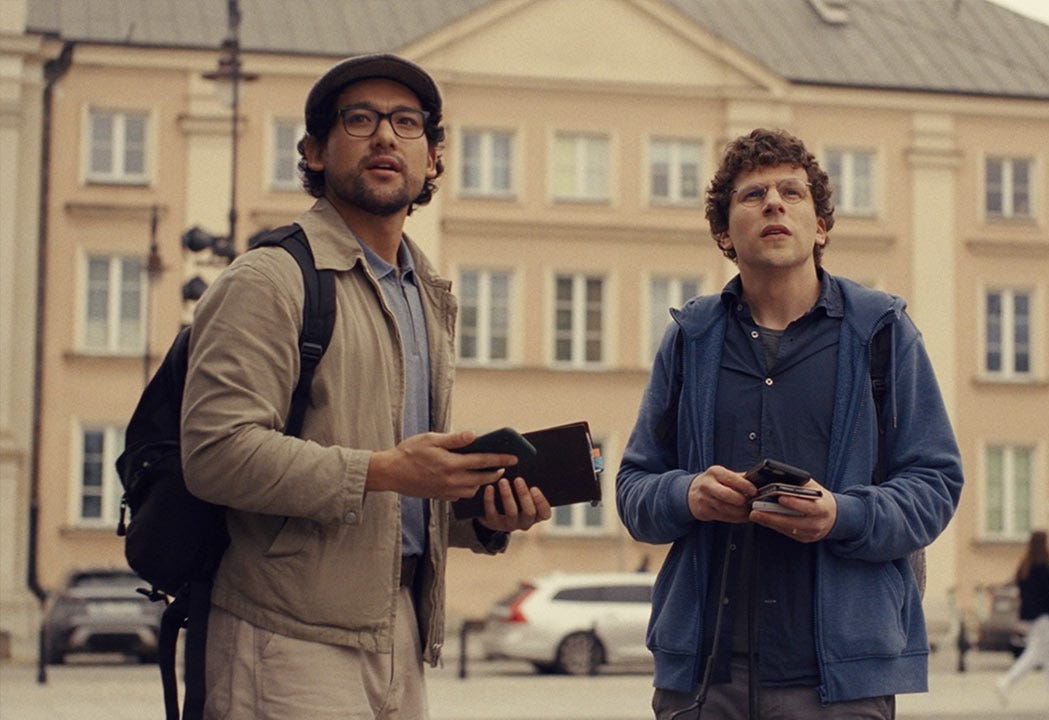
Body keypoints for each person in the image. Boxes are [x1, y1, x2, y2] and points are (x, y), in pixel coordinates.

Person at [180, 54, 551, 720]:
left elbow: (397, 499)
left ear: (434, 157)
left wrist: (480, 514)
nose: (386, 136)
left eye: (407, 123)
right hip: (286, 634)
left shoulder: (425, 292)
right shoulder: (268, 279)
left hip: (399, 629)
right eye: (361, 119)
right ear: (314, 151)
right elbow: (216, 454)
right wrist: (386, 471)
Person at [617, 128, 963, 720]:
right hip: (704, 676)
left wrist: (841, 515)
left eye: (792, 193)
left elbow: (935, 485)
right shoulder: (691, 338)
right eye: (753, 195)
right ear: (726, 234)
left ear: (820, 226)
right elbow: (633, 489)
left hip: (840, 680)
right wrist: (688, 493)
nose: (774, 203)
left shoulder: (882, 332)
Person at [995, 530, 1049, 705]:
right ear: (1043, 544)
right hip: (1043, 616)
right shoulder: (1042, 566)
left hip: (1033, 615)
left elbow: (1022, 590)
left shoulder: (1026, 565)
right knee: (1036, 653)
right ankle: (1006, 682)